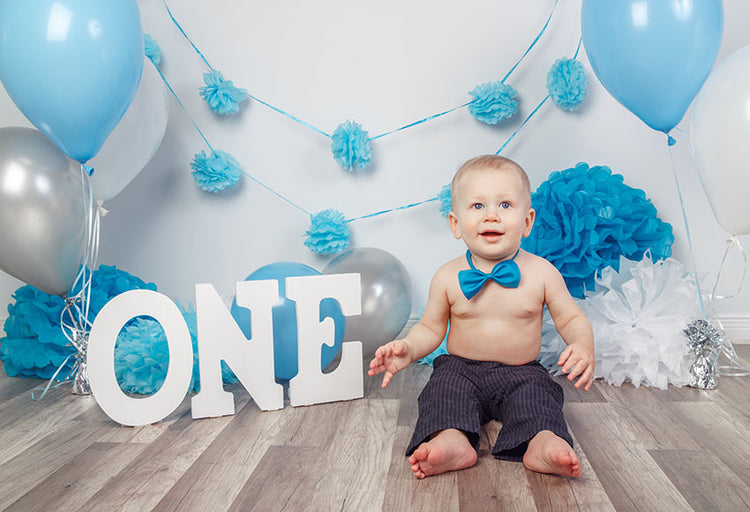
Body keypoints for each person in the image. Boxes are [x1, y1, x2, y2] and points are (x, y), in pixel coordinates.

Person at [368, 155, 594, 479]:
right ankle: (453, 440)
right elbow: (431, 328)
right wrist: (408, 348)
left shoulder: (542, 273)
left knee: (539, 397)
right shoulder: (447, 276)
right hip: (461, 369)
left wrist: (583, 346)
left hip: (522, 372)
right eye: (477, 206)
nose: (491, 216)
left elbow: (571, 319)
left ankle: (543, 442)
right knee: (441, 393)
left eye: (505, 205)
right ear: (455, 224)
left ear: (527, 221)